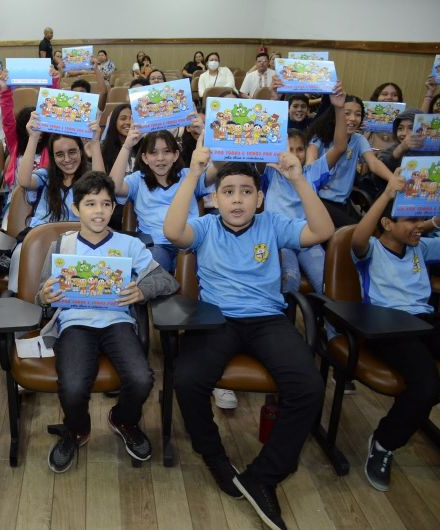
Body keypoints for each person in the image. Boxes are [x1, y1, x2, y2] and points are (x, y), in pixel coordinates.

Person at [164, 153, 332, 530]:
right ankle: (214, 455)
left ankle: (263, 475)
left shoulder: (272, 224)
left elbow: (321, 232)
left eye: (245, 192)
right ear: (215, 198)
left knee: (308, 387)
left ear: (259, 198)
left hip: (267, 319)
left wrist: (299, 179)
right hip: (215, 319)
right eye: (228, 192)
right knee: (188, 380)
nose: (237, 199)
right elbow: (174, 232)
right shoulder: (206, 227)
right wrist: (192, 173)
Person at [37, 172, 177, 473]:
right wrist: (45, 296)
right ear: (76, 209)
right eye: (90, 204)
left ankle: (124, 420)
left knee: (142, 379)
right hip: (75, 322)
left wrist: (141, 291)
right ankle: (76, 429)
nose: (98, 211)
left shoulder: (130, 245)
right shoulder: (62, 246)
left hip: (117, 321)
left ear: (114, 208)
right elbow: (40, 294)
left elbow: (166, 281)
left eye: (105, 203)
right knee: (73, 387)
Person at [349, 176, 440, 492]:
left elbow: (429, 228)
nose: (420, 226)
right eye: (411, 220)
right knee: (425, 383)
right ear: (386, 223)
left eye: (422, 219)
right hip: (387, 326)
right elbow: (359, 236)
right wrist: (388, 192)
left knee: (428, 386)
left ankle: (413, 414)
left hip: (424, 320)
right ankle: (385, 443)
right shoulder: (370, 249)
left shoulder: (421, 246)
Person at [8, 112, 103, 292]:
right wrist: (34, 137)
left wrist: (96, 142)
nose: (67, 159)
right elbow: (24, 181)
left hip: (76, 244)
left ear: (82, 152)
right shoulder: (45, 177)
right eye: (60, 154)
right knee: (21, 253)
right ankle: (21, 303)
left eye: (72, 152)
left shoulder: (90, 180)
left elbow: (101, 182)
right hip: (41, 240)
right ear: (53, 157)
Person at [270, 83, 348, 295]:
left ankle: (331, 328)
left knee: (326, 280)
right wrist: (274, 100)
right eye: (288, 149)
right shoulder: (270, 171)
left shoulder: (312, 172)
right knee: (290, 280)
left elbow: (340, 147)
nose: (294, 154)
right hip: (280, 239)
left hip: (309, 238)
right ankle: (286, 324)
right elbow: (262, 135)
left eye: (299, 149)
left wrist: (339, 108)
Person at [109, 128, 210, 273]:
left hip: (189, 242)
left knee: (193, 266)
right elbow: (114, 188)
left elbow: (216, 173)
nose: (160, 158)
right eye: (153, 152)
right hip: (155, 244)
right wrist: (127, 146)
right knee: (154, 264)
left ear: (176, 155)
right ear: (144, 158)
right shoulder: (138, 179)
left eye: (167, 151)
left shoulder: (190, 174)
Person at [306, 94, 396, 227]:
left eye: (358, 114)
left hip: (343, 202)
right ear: (335, 115)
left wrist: (393, 179)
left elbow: (373, 163)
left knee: (363, 231)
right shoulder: (320, 136)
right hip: (319, 200)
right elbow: (311, 158)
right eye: (346, 113)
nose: (353, 118)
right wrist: (316, 175)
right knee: (354, 233)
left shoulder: (359, 140)